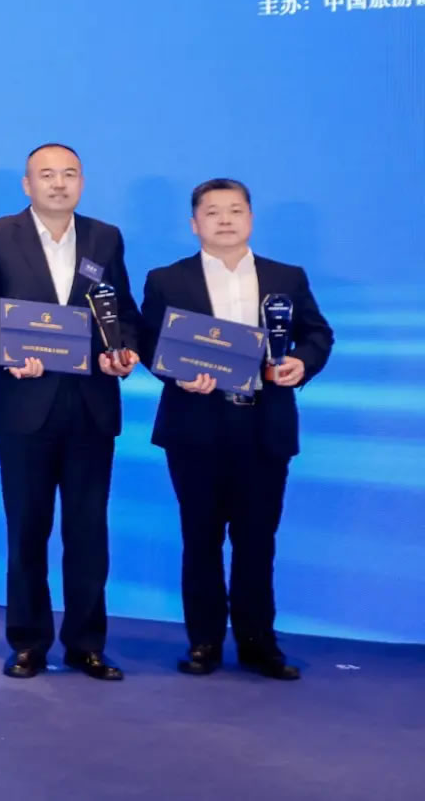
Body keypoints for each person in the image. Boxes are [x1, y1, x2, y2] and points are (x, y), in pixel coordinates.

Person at [0, 143, 140, 681]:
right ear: (27, 184)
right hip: (22, 406)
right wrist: (7, 351)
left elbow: (123, 313)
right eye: (47, 175)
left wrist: (123, 350)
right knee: (27, 530)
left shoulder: (105, 238)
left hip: (91, 406)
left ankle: (86, 644)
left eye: (69, 174)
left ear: (82, 182)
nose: (59, 184)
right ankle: (28, 642)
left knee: (89, 533)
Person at [140, 178, 333, 680]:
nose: (224, 220)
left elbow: (317, 334)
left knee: (257, 540)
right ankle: (203, 642)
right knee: (200, 538)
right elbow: (148, 343)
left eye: (235, 210)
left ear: (250, 218)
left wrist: (301, 364)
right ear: (194, 224)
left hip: (264, 425)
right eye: (212, 212)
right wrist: (177, 374)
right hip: (195, 426)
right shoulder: (167, 279)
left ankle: (257, 643)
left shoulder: (286, 277)